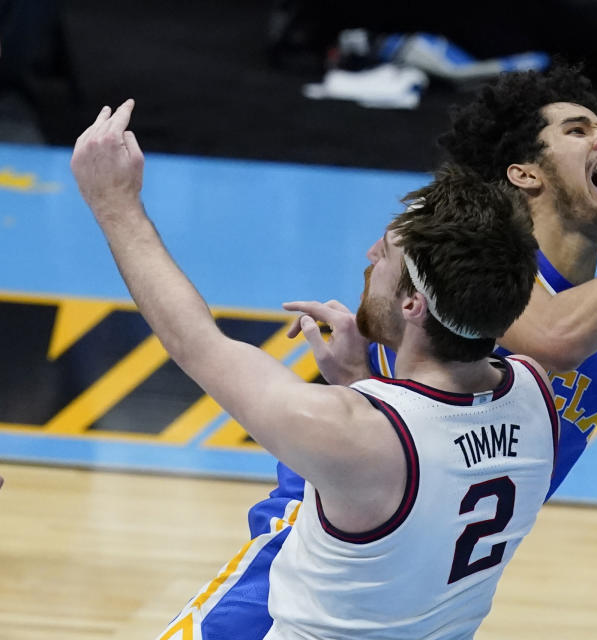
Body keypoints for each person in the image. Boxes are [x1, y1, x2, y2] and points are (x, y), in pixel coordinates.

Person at [161, 64, 597, 639]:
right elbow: (553, 337)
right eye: (576, 130)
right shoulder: (464, 275)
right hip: (290, 595)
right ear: (523, 173)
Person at [71, 100, 559, 640]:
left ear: (413, 305)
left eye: (388, 254)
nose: (373, 252)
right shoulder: (536, 394)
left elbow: (195, 344)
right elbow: (429, 482)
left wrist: (114, 203)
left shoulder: (352, 435)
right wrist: (361, 383)